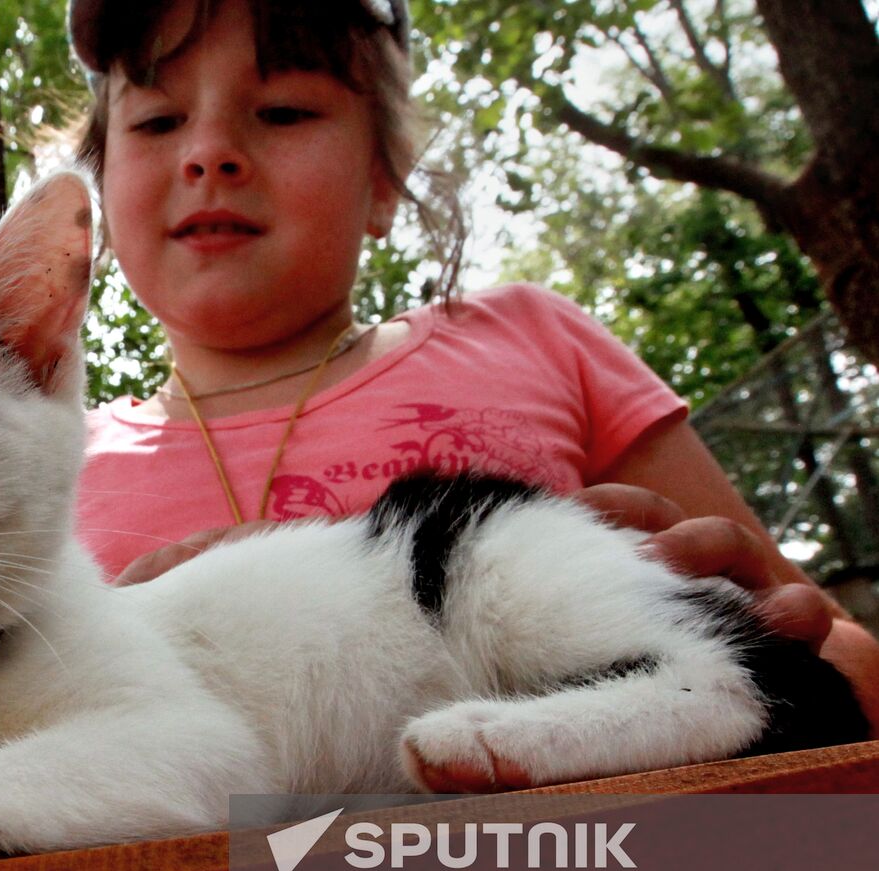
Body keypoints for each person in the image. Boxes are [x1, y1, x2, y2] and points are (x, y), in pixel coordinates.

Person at [64, 0, 879, 727]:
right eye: (157, 122)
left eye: (281, 110)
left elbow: (843, 658)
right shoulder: (29, 473)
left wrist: (779, 657)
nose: (208, 152)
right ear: (98, 187)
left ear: (383, 183)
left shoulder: (532, 338)